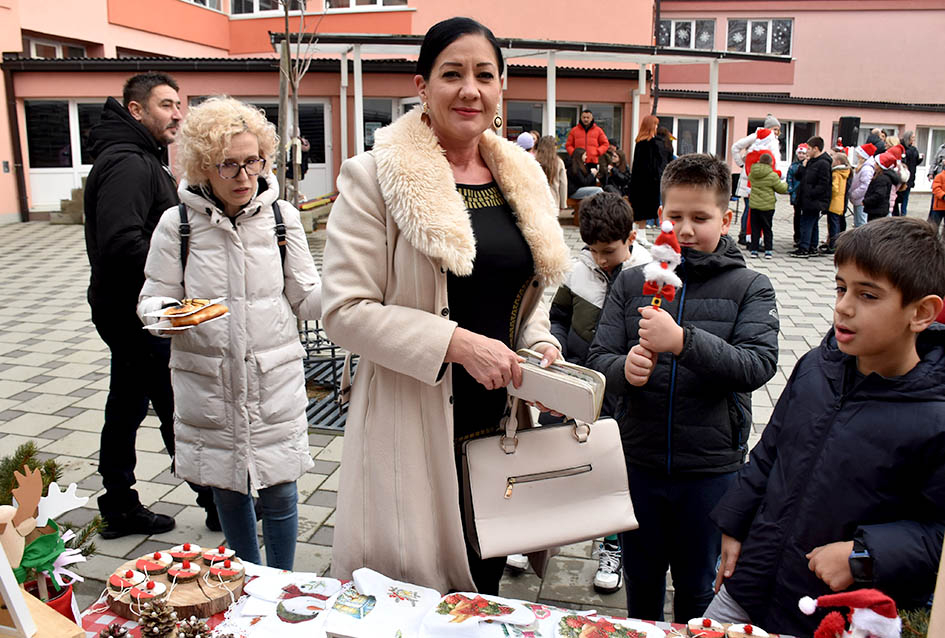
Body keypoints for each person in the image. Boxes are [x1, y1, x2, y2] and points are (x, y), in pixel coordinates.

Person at [321, 17, 571, 595]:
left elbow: (526, 287)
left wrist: (538, 340)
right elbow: (343, 309)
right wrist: (455, 343)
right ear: (421, 86)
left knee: (484, 577)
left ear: (501, 87)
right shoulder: (374, 179)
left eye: (485, 74)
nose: (470, 89)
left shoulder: (523, 176)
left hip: (501, 417)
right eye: (452, 74)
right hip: (415, 416)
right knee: (416, 588)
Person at [706, 217, 945, 637]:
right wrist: (735, 523)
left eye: (867, 294)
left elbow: (935, 534)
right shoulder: (816, 367)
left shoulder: (935, 415)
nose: (844, 306)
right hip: (749, 579)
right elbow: (770, 452)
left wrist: (864, 555)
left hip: (828, 613)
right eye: (841, 287)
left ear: (921, 312)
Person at [587, 154, 779, 622]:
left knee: (698, 588)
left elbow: (757, 364)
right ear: (659, 216)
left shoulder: (750, 286)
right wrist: (623, 368)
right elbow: (597, 359)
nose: (686, 229)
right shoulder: (632, 283)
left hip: (710, 469)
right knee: (642, 581)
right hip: (640, 461)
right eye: (675, 216)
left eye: (700, 217)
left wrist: (684, 342)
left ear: (726, 218)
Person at [137, 97, 322, 569]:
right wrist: (168, 316)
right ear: (204, 166)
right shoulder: (176, 224)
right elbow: (152, 299)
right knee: (229, 495)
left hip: (271, 380)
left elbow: (306, 299)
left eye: (252, 161)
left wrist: (353, 290)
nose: (244, 176)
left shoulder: (283, 218)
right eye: (229, 165)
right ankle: (245, 580)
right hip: (208, 384)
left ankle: (278, 582)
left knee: (280, 494)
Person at [83, 72, 218, 538]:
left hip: (125, 308)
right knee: (174, 404)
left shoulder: (137, 157)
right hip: (136, 312)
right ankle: (215, 502)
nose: (177, 113)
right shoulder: (130, 163)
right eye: (165, 105)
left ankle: (118, 504)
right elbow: (122, 242)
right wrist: (184, 263)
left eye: (178, 104)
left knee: (126, 405)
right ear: (136, 110)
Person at [527, 191, 651, 593]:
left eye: (609, 251)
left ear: (630, 238)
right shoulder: (577, 270)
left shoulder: (652, 276)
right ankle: (532, 533)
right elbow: (558, 316)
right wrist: (554, 345)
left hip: (621, 391)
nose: (600, 259)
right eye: (593, 250)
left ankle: (611, 546)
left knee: (612, 472)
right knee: (550, 456)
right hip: (575, 382)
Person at [732, 115, 781, 245]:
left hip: (764, 182)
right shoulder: (756, 137)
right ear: (768, 128)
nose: (776, 132)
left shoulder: (773, 141)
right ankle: (745, 235)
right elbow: (735, 147)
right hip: (750, 181)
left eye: (778, 130)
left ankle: (753, 236)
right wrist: (741, 164)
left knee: (756, 210)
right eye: (774, 129)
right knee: (749, 208)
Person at [791, 136, 831, 258]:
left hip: (814, 200)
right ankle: (812, 246)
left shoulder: (823, 163)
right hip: (806, 198)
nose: (807, 151)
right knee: (812, 223)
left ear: (816, 148)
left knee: (807, 223)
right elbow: (798, 176)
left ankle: (804, 247)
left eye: (809, 149)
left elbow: (824, 184)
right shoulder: (811, 162)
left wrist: (811, 192)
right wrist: (803, 165)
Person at [628, 114, 666, 230]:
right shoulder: (650, 143)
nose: (656, 127)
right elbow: (654, 164)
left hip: (639, 181)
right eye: (655, 125)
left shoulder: (640, 142)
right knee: (645, 210)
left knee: (640, 211)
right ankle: (640, 235)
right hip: (649, 182)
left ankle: (640, 234)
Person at [747, 154, 787, 259]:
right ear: (771, 163)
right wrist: (787, 184)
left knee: (755, 228)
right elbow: (781, 189)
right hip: (767, 207)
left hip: (754, 205)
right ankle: (768, 250)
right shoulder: (772, 175)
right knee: (767, 228)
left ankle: (754, 250)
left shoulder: (753, 173)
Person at [823, 152, 851, 253]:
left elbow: (835, 188)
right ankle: (835, 243)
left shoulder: (836, 174)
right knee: (836, 223)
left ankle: (833, 245)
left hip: (834, 202)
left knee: (833, 224)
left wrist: (828, 193)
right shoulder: (844, 172)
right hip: (840, 202)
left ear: (838, 162)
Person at [863, 151, 902, 222]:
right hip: (878, 209)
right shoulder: (882, 176)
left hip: (877, 210)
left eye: (876, 163)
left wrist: (866, 201)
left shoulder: (882, 178)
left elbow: (879, 194)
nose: (874, 164)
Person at [848, 143, 878, 228]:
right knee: (858, 222)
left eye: (859, 154)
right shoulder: (863, 166)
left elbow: (865, 186)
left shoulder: (867, 169)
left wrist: (854, 194)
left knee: (861, 223)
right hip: (858, 199)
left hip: (861, 199)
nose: (857, 155)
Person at [535, 135, 568, 211]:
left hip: (537, 199)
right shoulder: (559, 162)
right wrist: (563, 203)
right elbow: (563, 184)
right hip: (553, 199)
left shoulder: (534, 161)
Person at [894, 132, 921, 217]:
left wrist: (920, 159)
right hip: (902, 175)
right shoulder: (902, 148)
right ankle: (896, 213)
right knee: (897, 196)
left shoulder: (914, 149)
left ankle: (903, 213)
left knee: (906, 196)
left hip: (910, 175)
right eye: (912, 137)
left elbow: (915, 162)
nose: (914, 139)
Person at [786, 143, 808, 245]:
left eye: (803, 153)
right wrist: (790, 190)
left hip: (804, 194)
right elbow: (789, 179)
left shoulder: (808, 165)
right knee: (797, 216)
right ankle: (797, 235)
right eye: (799, 153)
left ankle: (804, 235)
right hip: (795, 194)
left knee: (804, 216)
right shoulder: (793, 166)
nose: (801, 155)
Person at [931, 168, 945, 234]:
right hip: (938, 207)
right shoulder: (939, 176)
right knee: (935, 226)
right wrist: (943, 195)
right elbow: (935, 188)